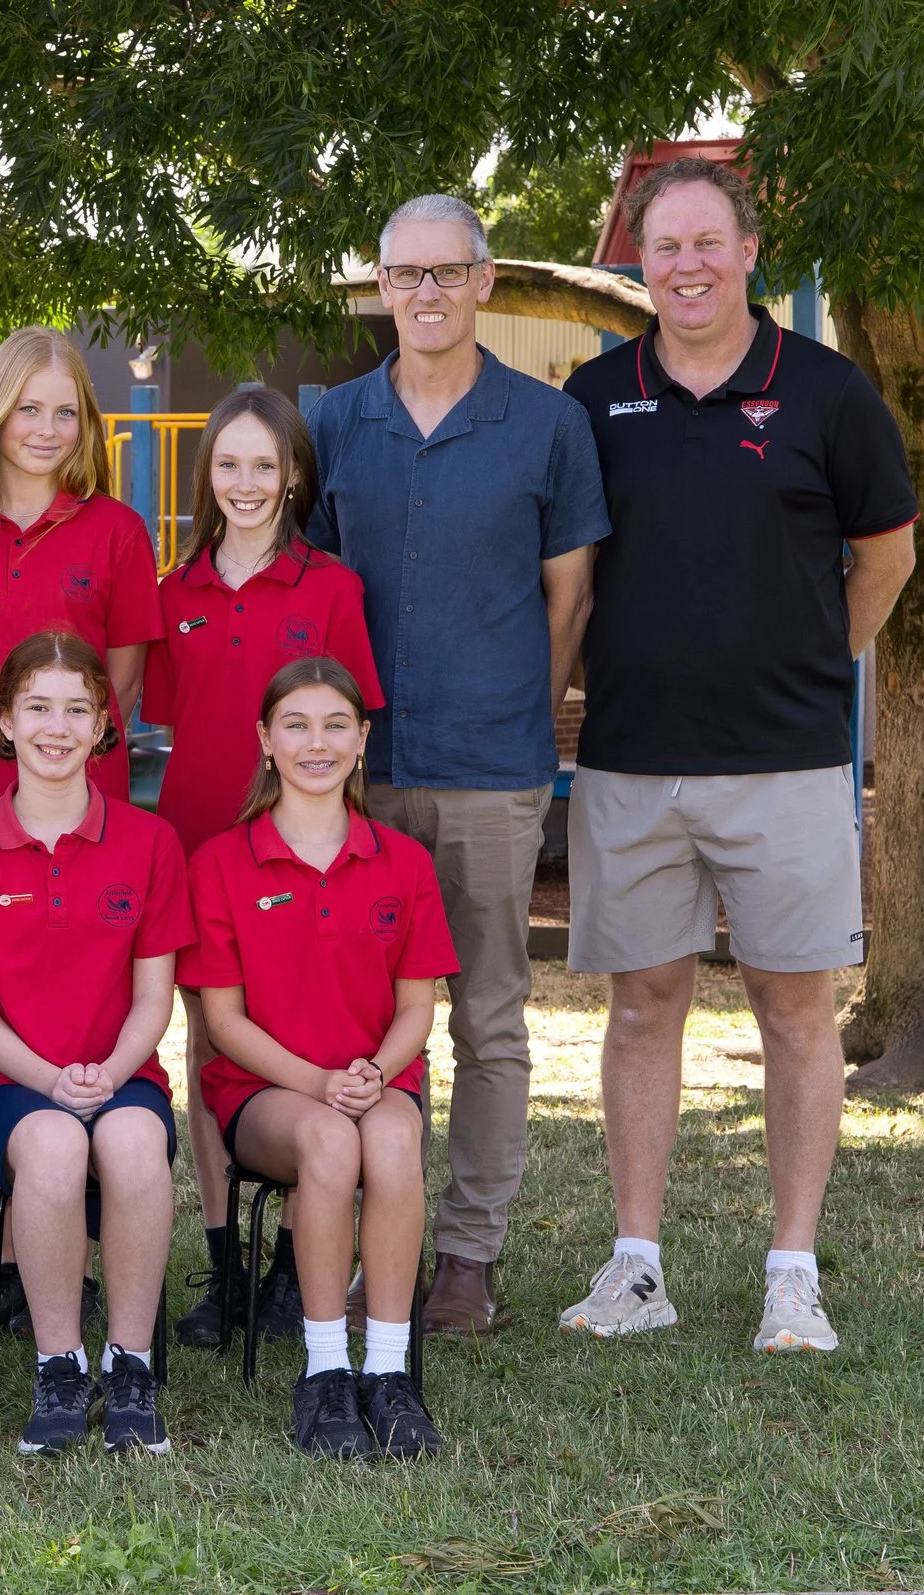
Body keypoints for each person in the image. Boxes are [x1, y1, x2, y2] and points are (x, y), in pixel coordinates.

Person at [557, 157, 916, 1354]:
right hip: (631, 754)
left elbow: (886, 557)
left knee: (795, 1008)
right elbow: (575, 568)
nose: (687, 265)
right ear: (638, 260)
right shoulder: (595, 394)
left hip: (786, 760)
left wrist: (812, 662)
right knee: (643, 1001)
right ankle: (636, 1265)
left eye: (708, 242)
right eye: (664, 246)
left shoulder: (826, 393)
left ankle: (791, 1274)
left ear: (750, 251)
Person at [306, 194, 609, 1337]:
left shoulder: (546, 425)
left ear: (485, 281)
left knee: (486, 1016)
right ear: (380, 288)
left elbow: (568, 594)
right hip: (352, 777)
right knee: (345, 1015)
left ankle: (468, 1254)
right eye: (402, 276)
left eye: (446, 272)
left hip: (491, 767)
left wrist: (521, 715)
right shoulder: (334, 421)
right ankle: (339, 1240)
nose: (424, 294)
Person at [142, 387, 382, 1349]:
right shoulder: (175, 591)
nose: (246, 484)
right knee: (210, 1046)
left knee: (301, 1032)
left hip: (300, 846)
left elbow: (348, 725)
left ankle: (295, 1259)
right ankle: (224, 1263)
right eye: (228, 465)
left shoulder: (331, 587)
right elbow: (167, 714)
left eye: (264, 465)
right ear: (209, 475)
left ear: (294, 476)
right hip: (199, 844)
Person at [0, 630, 191, 1457]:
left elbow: (156, 999)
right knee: (49, 1147)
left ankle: (134, 1362)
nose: (57, 725)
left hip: (123, 1073)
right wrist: (52, 1081)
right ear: (5, 719)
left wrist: (107, 1074)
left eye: (78, 708)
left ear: (105, 722)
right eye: (37, 706)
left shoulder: (150, 844)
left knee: (137, 1141)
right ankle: (59, 1366)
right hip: (10, 1084)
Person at [181, 658, 454, 1458]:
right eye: (295, 725)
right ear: (266, 740)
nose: (316, 742)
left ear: (363, 740)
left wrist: (370, 1071)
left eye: (336, 724)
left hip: (376, 1079)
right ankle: (326, 1371)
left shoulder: (402, 861)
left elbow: (418, 1006)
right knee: (331, 1140)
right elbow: (222, 1022)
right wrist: (319, 1084)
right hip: (267, 1093)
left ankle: (391, 1371)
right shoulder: (223, 862)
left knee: (395, 1137)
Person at [0, 327, 163, 839]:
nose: (47, 429)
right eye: (28, 409)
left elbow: (123, 684)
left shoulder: (119, 532)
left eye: (65, 413)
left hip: (82, 797)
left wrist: (58, 755)